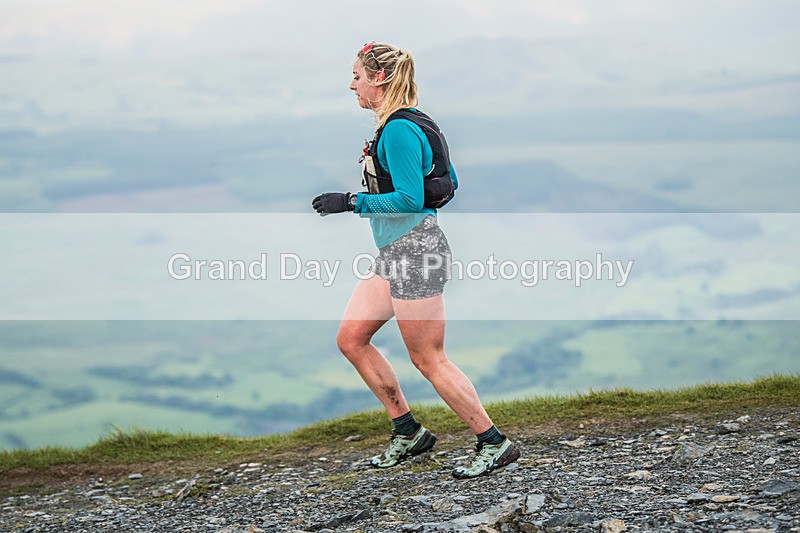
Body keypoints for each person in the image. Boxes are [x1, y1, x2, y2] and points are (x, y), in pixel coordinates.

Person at [311, 41, 520, 479]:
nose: (351, 85)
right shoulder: (413, 123)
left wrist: (351, 202)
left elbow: (409, 197)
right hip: (397, 252)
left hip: (415, 252)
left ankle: (493, 442)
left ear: (379, 78)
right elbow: (447, 182)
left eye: (357, 76)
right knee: (351, 339)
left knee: (428, 358)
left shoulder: (400, 130)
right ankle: (408, 431)